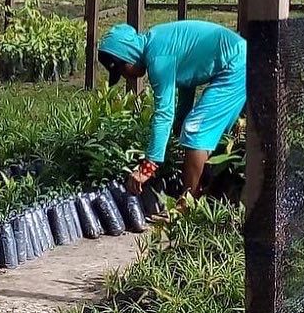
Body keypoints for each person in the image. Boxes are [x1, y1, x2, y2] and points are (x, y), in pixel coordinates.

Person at [97, 20, 246, 199]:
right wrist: (180, 119)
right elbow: (188, 80)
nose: (125, 76)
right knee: (191, 128)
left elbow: (163, 114)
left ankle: (188, 207)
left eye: (122, 69)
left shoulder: (158, 59)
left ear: (128, 54)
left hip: (236, 66)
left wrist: (149, 165)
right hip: (236, 60)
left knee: (195, 130)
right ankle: (204, 190)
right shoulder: (157, 41)